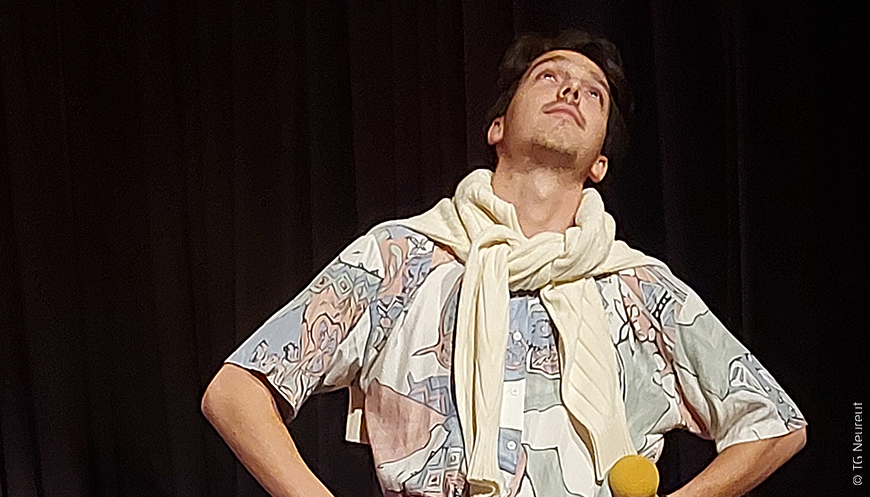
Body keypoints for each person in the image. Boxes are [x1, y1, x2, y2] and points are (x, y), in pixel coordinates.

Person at [201, 30, 806, 497]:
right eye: (549, 77)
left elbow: (775, 424)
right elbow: (234, 393)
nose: (571, 92)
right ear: (497, 126)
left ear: (600, 161)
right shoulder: (401, 258)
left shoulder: (640, 290)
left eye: (593, 92)